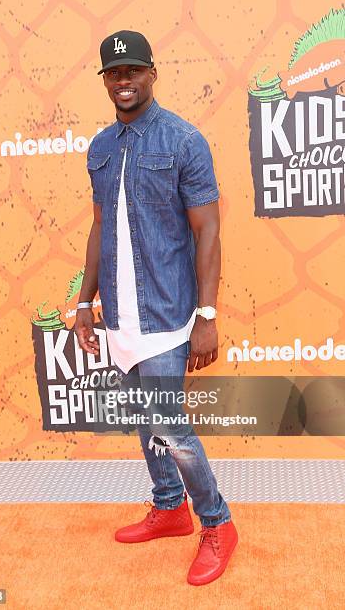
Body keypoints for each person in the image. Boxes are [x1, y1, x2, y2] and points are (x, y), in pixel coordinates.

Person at [74, 29, 238, 586]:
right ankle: (169, 507)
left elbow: (208, 231)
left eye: (133, 71)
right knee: (146, 421)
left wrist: (208, 317)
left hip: (169, 314)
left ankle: (217, 523)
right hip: (120, 314)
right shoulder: (99, 147)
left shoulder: (184, 141)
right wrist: (82, 303)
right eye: (114, 74)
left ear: (152, 73)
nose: (124, 81)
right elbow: (100, 229)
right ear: (106, 81)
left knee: (170, 424)